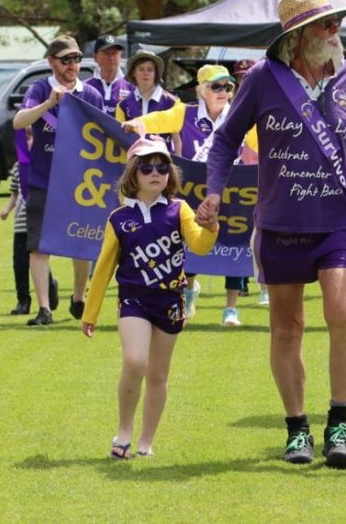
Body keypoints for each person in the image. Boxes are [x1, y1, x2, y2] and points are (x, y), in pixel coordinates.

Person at [198, 0, 346, 469]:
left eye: (336, 20)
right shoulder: (263, 80)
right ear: (297, 35)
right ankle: (297, 428)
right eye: (325, 23)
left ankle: (339, 423)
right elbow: (224, 140)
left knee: (343, 314)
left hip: (336, 221)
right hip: (279, 223)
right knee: (287, 326)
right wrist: (214, 189)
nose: (335, 29)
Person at [82, 136, 218, 459]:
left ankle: (146, 442)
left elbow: (199, 246)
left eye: (161, 167)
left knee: (158, 374)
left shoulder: (179, 210)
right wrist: (90, 313)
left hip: (170, 302)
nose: (155, 173)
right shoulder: (118, 219)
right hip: (134, 301)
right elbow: (102, 269)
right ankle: (124, 431)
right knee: (134, 361)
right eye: (147, 167)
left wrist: (211, 227)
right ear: (133, 174)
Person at [124, 64, 259, 326]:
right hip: (193, 190)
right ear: (202, 90)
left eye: (228, 87)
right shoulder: (184, 113)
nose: (223, 92)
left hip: (229, 189)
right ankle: (188, 290)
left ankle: (231, 308)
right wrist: (136, 123)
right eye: (216, 86)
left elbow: (263, 141)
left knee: (232, 242)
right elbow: (159, 119)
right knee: (187, 244)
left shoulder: (238, 116)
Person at [13, 36, 105, 325]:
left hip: (80, 184)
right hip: (43, 180)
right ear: (51, 62)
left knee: (80, 244)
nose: (72, 65)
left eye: (76, 59)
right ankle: (44, 309)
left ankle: (78, 297)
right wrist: (49, 103)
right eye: (66, 60)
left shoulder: (91, 94)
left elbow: (103, 134)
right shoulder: (39, 88)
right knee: (38, 247)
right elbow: (19, 122)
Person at [0, 162, 57, 315]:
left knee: (38, 258)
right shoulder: (18, 167)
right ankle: (23, 300)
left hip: (38, 221)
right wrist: (7, 209)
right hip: (20, 223)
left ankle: (50, 288)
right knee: (20, 263)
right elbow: (15, 193)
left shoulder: (45, 163)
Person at [115, 51, 179, 147]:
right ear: (133, 73)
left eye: (150, 70)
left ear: (156, 73)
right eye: (141, 69)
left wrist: (177, 162)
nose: (146, 73)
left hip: (164, 160)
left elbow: (178, 141)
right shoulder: (123, 105)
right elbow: (119, 140)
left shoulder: (172, 103)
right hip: (134, 160)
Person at [85, 34, 133, 117]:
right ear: (95, 57)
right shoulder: (85, 87)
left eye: (114, 53)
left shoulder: (132, 87)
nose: (110, 58)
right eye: (106, 53)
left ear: (120, 56)